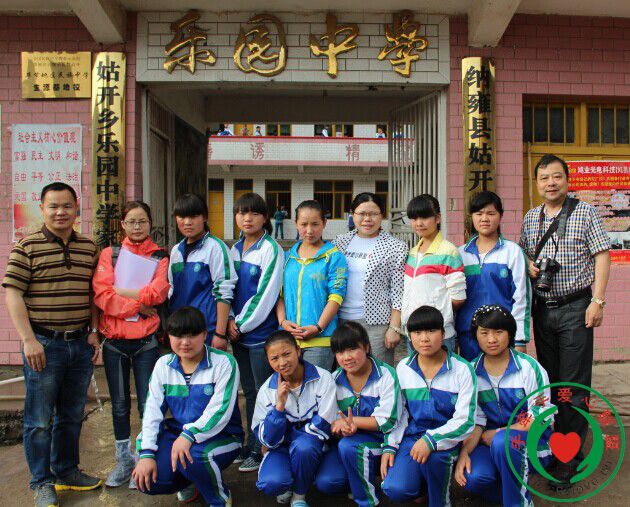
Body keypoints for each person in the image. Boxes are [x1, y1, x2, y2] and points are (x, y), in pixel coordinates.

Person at [3, 182, 102, 507]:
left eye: (67, 206)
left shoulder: (88, 248)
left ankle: (66, 471)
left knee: (72, 414)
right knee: (38, 420)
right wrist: (28, 340)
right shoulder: (27, 247)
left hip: (79, 343)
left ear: (77, 208)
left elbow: (93, 293)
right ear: (42, 209)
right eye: (53, 206)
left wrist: (94, 330)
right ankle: (41, 482)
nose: (60, 212)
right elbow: (13, 294)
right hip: (43, 345)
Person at [520, 154, 610, 484]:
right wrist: (530, 265)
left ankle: (569, 457)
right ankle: (556, 445)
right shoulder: (531, 218)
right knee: (553, 381)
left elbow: (602, 255)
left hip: (576, 307)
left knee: (573, 385)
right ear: (537, 183)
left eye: (557, 176)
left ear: (567, 180)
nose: (551, 183)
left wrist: (597, 301)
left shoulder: (585, 212)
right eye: (544, 178)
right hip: (543, 310)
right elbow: (523, 251)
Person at [92, 201, 170, 487]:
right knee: (120, 404)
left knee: (149, 403)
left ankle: (146, 458)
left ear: (150, 223)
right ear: (123, 224)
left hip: (146, 342)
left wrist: (122, 293)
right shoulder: (110, 255)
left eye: (142, 221)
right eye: (132, 222)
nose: (137, 227)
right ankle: (124, 461)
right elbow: (103, 297)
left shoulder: (160, 256)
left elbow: (158, 293)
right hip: (114, 342)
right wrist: (139, 306)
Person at [132, 307, 243, 506]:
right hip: (179, 433)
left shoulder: (224, 363)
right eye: (178, 335)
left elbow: (220, 411)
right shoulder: (163, 365)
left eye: (192, 335)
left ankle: (219, 498)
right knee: (149, 479)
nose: (185, 342)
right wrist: (146, 453)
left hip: (223, 435)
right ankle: (192, 480)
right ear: (168, 336)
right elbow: (152, 411)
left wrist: (189, 435)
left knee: (194, 456)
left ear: (205, 334)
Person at [455, 305, 554, 507]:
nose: (492, 339)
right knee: (473, 477)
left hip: (532, 443)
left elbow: (539, 415)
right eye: (484, 333)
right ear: (475, 335)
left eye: (499, 332)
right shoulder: (470, 372)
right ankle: (512, 489)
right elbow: (476, 422)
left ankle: (518, 503)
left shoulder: (529, 368)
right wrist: (464, 453)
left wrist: (501, 432)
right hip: (488, 442)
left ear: (510, 334)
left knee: (503, 442)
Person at [381, 306, 477, 506]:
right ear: (410, 336)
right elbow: (398, 414)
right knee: (395, 489)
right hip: (413, 437)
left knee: (436, 459)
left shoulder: (462, 369)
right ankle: (424, 485)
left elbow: (466, 421)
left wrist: (432, 440)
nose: (424, 338)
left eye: (431, 331)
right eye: (417, 332)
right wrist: (390, 445)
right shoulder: (403, 368)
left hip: (448, 439)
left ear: (443, 334)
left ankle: (441, 500)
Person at [315, 322, 402, 507]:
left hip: (381, 442)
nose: (346, 357)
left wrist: (352, 421)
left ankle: (366, 501)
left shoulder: (386, 375)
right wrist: (339, 428)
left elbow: (388, 421)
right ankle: (359, 481)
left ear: (367, 347)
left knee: (350, 447)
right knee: (327, 482)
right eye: (340, 352)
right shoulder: (333, 380)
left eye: (352, 349)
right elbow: (329, 420)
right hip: (346, 442)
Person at [229, 193, 284, 473]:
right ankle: (250, 443)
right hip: (237, 334)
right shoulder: (234, 249)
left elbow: (266, 295)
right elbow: (226, 287)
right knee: (248, 391)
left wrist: (240, 324)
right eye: (241, 213)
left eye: (253, 213)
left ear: (265, 217)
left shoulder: (271, 249)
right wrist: (229, 319)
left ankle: (261, 448)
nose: (247, 218)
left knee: (264, 393)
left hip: (259, 335)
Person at [253, 331, 337, 507]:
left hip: (312, 446)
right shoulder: (267, 390)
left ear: (298, 351)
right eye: (274, 358)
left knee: (304, 448)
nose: (282, 362)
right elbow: (267, 439)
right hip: (281, 449)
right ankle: (288, 480)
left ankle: (299, 496)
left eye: (286, 354)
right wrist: (279, 407)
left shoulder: (323, 378)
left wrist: (293, 439)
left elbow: (325, 421)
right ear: (268, 361)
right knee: (272, 482)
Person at [333, 192, 408, 365]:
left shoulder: (395, 247)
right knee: (346, 370)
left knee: (379, 370)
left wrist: (394, 327)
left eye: (373, 214)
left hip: (377, 324)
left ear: (382, 215)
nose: (367, 219)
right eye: (362, 213)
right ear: (352, 215)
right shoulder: (340, 242)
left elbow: (398, 291)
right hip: (341, 319)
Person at [456, 191, 530, 361]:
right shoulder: (460, 254)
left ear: (500, 216)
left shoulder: (512, 252)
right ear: (471, 217)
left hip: (502, 335)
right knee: (472, 377)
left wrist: (519, 339)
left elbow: (521, 297)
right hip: (469, 335)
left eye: (491, 213)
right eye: (479, 213)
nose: (484, 218)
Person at [277, 200, 347, 370]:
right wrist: (283, 322)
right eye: (303, 224)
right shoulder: (287, 257)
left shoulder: (334, 256)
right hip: (288, 339)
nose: (309, 230)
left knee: (314, 385)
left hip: (320, 341)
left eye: (315, 224)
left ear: (324, 223)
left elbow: (336, 296)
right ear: (296, 224)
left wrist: (318, 327)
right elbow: (280, 295)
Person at [168, 193, 237, 351]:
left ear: (205, 217)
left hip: (207, 332)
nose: (187, 222)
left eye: (193, 216)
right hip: (180, 332)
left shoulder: (216, 248)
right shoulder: (176, 251)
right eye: (182, 216)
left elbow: (224, 292)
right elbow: (172, 289)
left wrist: (220, 334)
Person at [401, 194, 466, 353]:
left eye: (424, 217)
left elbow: (458, 298)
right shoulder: (413, 253)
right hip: (414, 333)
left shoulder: (448, 251)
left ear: (438, 218)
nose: (419, 223)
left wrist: (435, 317)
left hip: (439, 335)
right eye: (414, 218)